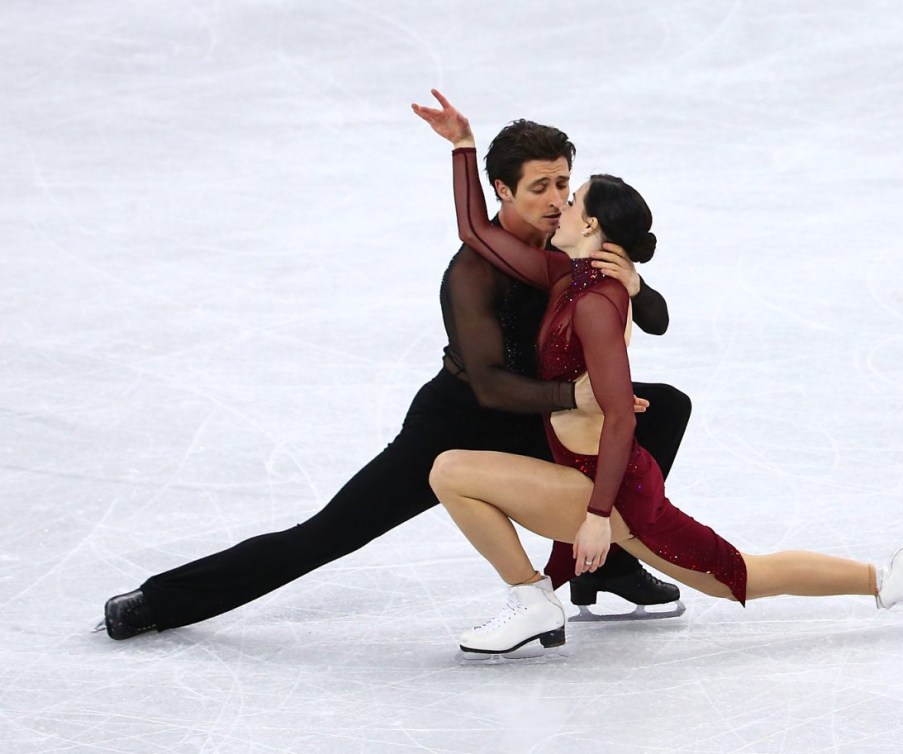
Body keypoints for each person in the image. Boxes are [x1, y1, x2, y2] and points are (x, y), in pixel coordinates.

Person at [413, 90, 903, 656]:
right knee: (740, 574)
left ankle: (894, 576)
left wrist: (595, 521)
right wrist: (463, 146)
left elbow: (618, 416)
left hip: (607, 493)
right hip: (595, 481)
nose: (557, 206)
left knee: (741, 574)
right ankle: (892, 576)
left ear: (590, 228)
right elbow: (476, 232)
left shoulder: (595, 301)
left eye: (572, 199)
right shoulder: (566, 274)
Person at [99, 114, 693, 640]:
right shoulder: (472, 273)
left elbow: (655, 321)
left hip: (537, 418)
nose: (556, 199)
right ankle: (159, 601)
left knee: (663, 408)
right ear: (503, 190)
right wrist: (574, 395)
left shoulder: (573, 245)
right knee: (326, 535)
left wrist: (638, 287)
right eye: (539, 187)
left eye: (564, 184)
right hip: (459, 422)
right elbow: (488, 384)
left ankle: (608, 564)